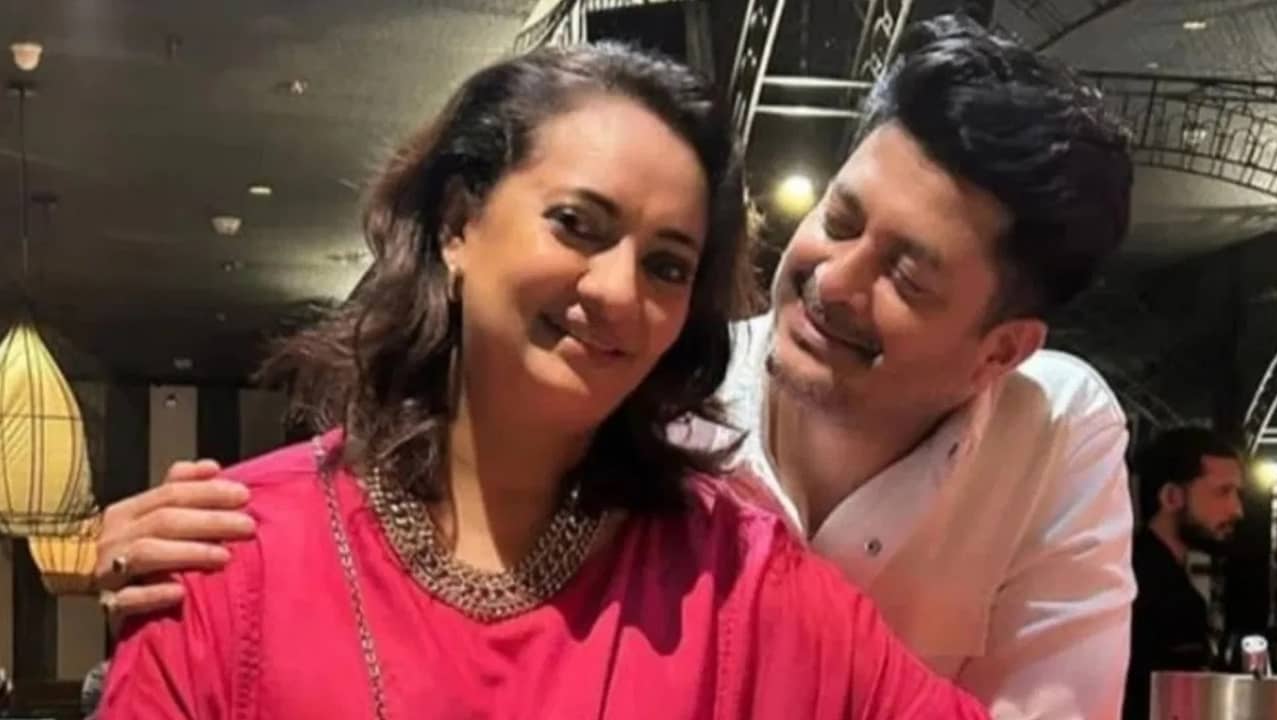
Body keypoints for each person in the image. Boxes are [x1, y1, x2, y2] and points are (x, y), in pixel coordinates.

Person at [97, 14, 1136, 718]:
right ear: (458, 222)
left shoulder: (739, 577)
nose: (615, 292)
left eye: (668, 265)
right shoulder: (239, 557)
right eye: (576, 224)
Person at [1123, 427, 1244, 720]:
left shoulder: (1135, 572)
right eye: (1222, 492)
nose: (1237, 510)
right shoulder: (1155, 593)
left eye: (1237, 494)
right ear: (1171, 497)